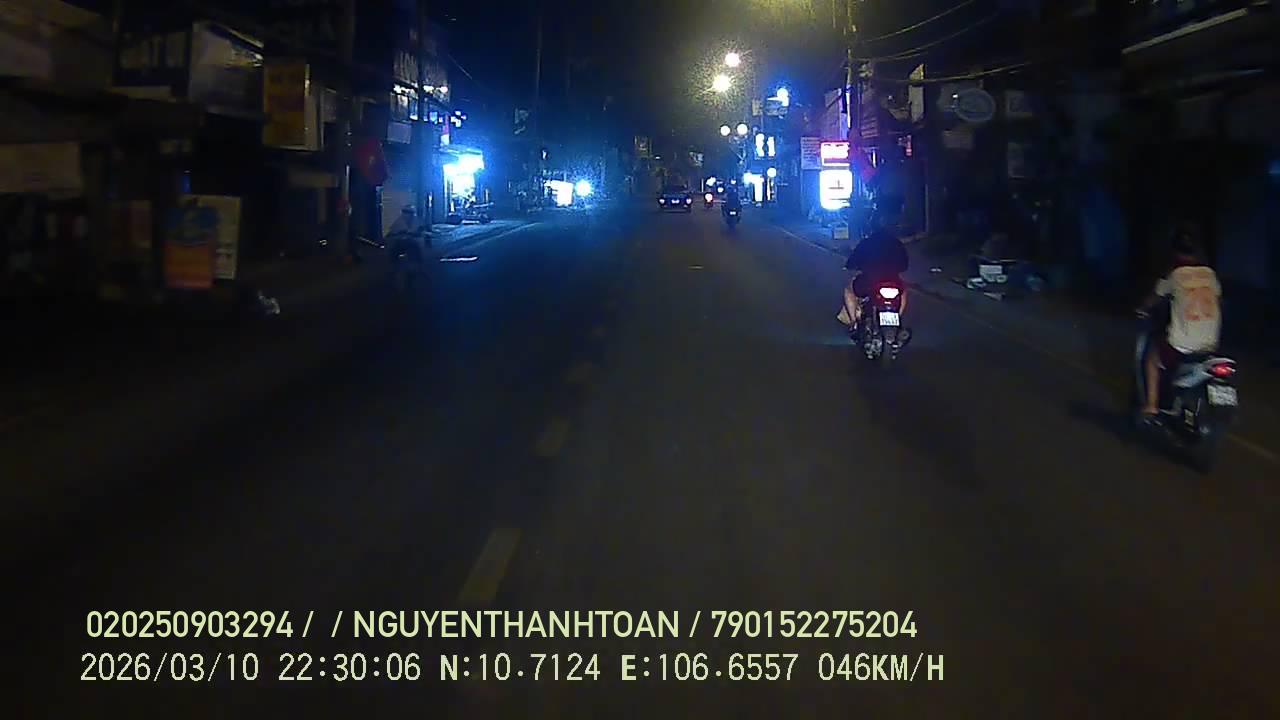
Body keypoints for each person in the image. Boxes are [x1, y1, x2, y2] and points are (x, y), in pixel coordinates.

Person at [1139, 228, 1222, 418]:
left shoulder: (1174, 275)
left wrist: (1142, 309)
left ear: (1174, 251)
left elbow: (1154, 299)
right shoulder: (1210, 274)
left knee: (1152, 357)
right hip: (1211, 343)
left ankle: (1151, 406)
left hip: (1182, 345)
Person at [842, 195, 909, 331]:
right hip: (893, 282)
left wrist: (851, 266)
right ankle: (898, 321)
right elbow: (904, 265)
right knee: (903, 293)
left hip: (869, 282)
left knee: (849, 291)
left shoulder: (866, 243)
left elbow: (852, 262)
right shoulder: (896, 244)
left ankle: (854, 323)